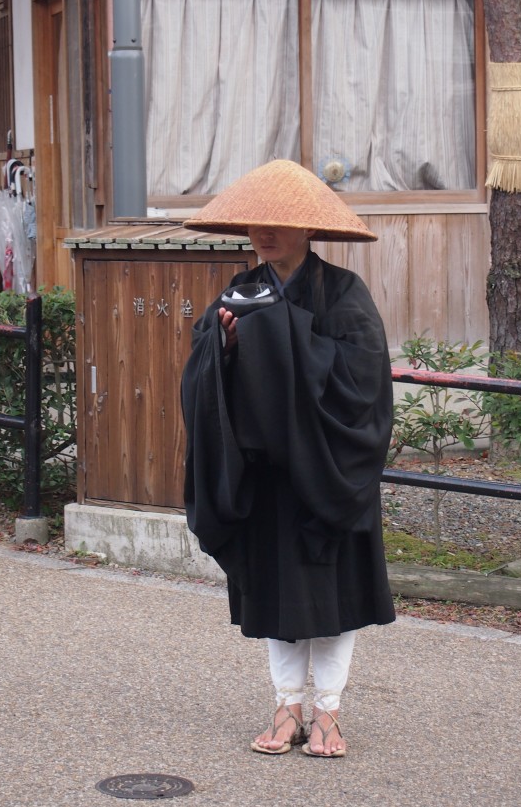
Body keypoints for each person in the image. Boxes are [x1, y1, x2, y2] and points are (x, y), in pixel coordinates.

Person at [181, 159, 395, 758]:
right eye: (256, 223)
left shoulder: (344, 292)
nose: (265, 233)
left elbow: (365, 380)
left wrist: (278, 336)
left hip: (329, 469)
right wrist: (224, 346)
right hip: (269, 474)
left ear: (308, 227)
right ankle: (286, 707)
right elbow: (202, 369)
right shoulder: (241, 290)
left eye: (278, 222)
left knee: (332, 593)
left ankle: (328, 713)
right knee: (276, 590)